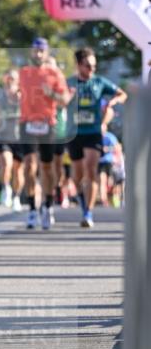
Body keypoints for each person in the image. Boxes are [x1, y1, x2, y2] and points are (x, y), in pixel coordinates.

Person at [66, 48, 127, 228]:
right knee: (77, 176)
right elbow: (57, 100)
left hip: (93, 132)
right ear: (78, 65)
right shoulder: (69, 82)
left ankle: (88, 213)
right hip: (74, 133)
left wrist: (112, 103)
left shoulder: (99, 82)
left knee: (91, 170)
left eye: (94, 65)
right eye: (88, 66)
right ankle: (81, 200)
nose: (92, 69)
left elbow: (122, 94)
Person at [18, 37, 71, 231]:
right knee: (29, 167)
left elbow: (65, 99)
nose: (38, 54)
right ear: (31, 52)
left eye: (42, 51)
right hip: (27, 123)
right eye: (35, 50)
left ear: (47, 53)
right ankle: (32, 208)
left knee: (47, 168)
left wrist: (52, 95)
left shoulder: (54, 73)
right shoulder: (23, 72)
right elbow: (13, 89)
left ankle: (47, 206)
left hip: (47, 124)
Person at [0, 69, 23, 210]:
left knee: (18, 171)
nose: (10, 81)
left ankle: (17, 197)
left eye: (12, 78)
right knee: (6, 163)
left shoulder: (23, 96)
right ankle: (6, 188)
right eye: (7, 78)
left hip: (20, 138)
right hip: (4, 137)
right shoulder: (0, 97)